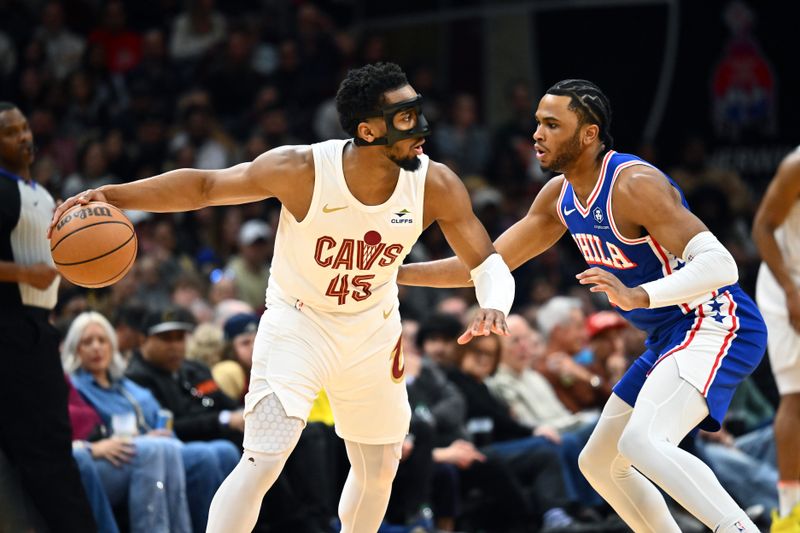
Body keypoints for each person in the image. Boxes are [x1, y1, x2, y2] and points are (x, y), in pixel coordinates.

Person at [51, 62, 513, 533]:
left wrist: (494, 301)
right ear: (369, 129)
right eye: (406, 116)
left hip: (373, 328)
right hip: (299, 323)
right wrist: (110, 194)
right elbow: (205, 187)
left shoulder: (435, 184)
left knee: (380, 470)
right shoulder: (303, 170)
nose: (422, 126)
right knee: (263, 460)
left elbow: (487, 262)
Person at [398, 79, 768, 533]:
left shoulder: (634, 184)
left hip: (716, 322)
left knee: (645, 442)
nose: (537, 134)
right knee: (599, 462)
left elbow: (721, 264)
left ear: (589, 133)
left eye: (552, 125)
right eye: (537, 123)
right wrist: (392, 269)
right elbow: (482, 263)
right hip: (669, 337)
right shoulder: (558, 197)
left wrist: (638, 296)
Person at [0, 102, 97, 532]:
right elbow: (30, 271)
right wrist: (23, 272)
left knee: (47, 446)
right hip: (10, 327)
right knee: (45, 449)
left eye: (24, 128)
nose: (24, 136)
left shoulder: (40, 193)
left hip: (36, 328)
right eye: (10, 132)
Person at [752, 145, 800, 531]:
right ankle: (790, 514)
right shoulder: (796, 165)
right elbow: (762, 227)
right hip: (789, 281)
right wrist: (790, 290)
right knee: (796, 395)